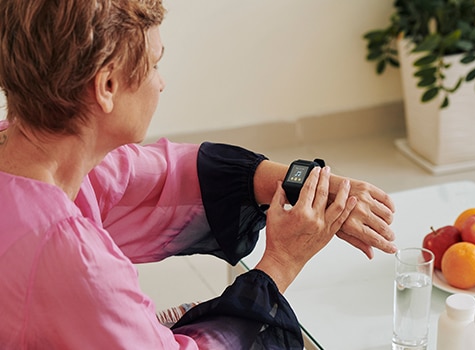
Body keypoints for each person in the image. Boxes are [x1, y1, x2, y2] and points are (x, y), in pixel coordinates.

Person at [0, 1, 396, 349]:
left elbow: (161, 178)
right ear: (106, 85)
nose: (161, 82)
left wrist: (306, 183)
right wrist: (282, 261)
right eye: (155, 64)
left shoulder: (30, 155)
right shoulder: (72, 260)